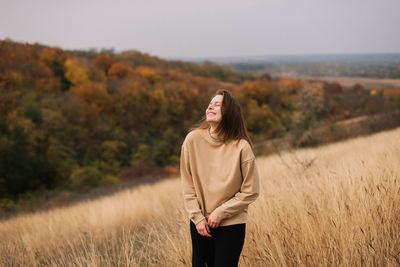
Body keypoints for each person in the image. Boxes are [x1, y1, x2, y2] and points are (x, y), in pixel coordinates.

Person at [180, 89, 260, 267]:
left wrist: (221, 212)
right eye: (210, 104)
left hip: (231, 223)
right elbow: (187, 184)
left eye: (217, 104)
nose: (211, 106)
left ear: (229, 112)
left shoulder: (241, 147)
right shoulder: (192, 140)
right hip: (200, 224)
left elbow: (251, 191)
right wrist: (198, 217)